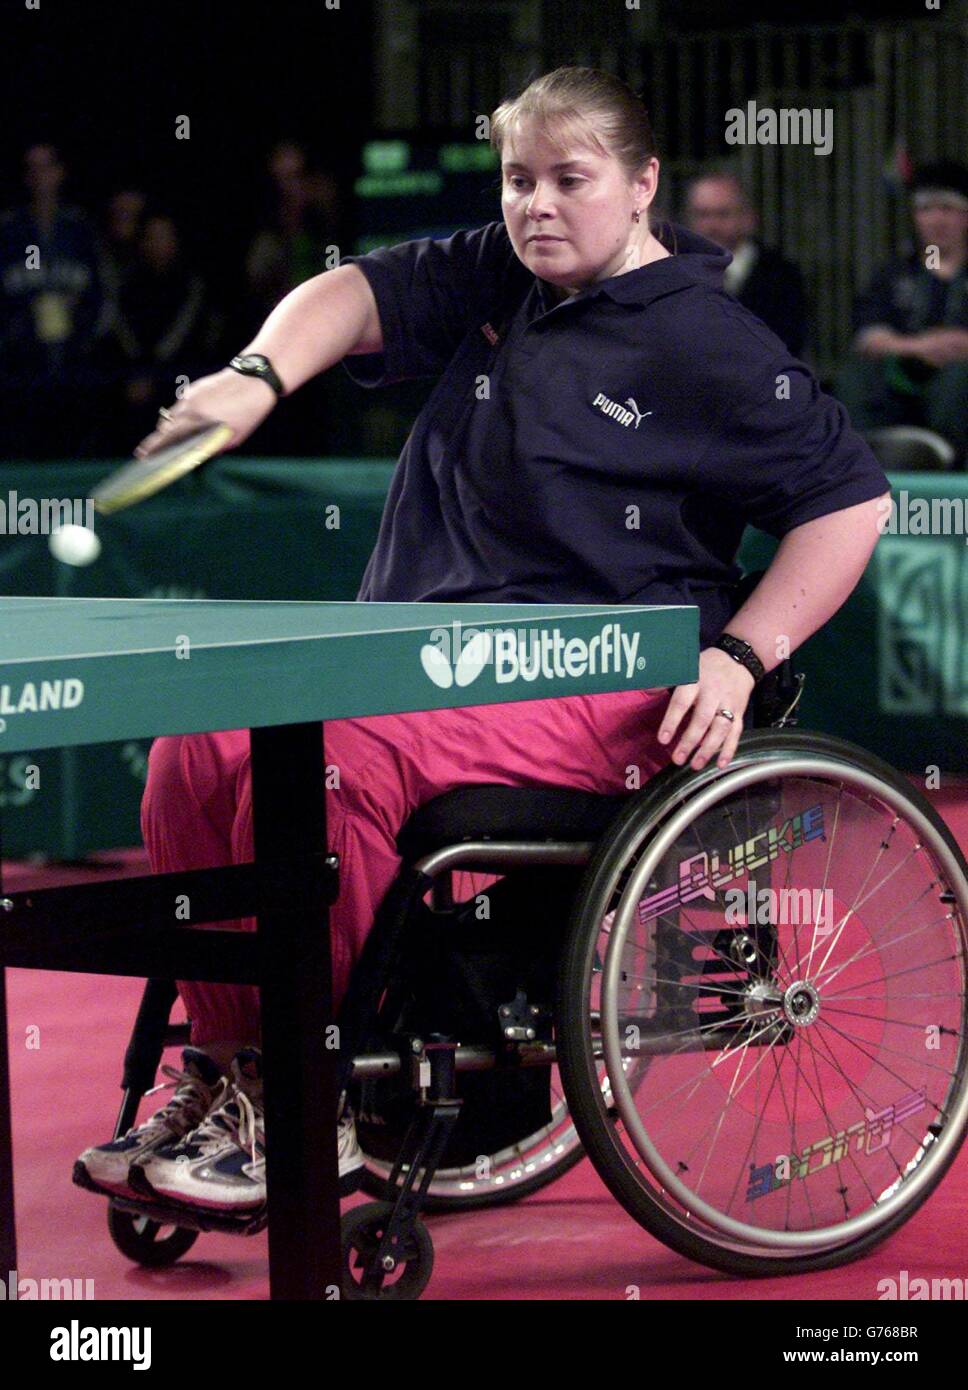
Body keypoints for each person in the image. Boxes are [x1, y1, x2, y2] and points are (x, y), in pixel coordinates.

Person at [75, 67, 890, 1215]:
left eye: (569, 179)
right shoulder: (504, 275)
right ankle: (234, 1071)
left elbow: (850, 503)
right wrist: (256, 378)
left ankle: (322, 1096)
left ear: (642, 185)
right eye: (518, 179)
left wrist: (742, 654)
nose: (536, 204)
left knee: (329, 763)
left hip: (595, 687)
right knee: (195, 747)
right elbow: (353, 292)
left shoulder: (708, 342)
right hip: (423, 658)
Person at [835, 159, 968, 461]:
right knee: (856, 377)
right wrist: (920, 346)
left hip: (957, 384)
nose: (937, 220)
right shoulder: (894, 273)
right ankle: (874, 462)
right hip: (902, 378)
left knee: (959, 383)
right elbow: (869, 336)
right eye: (926, 209)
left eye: (947, 209)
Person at [683, 168, 808, 356]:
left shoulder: (781, 276)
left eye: (723, 214)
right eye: (702, 215)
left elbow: (786, 346)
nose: (711, 226)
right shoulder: (672, 272)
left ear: (748, 218)